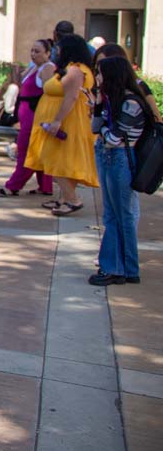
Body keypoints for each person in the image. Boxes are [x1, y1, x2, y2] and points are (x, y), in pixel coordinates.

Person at [25, 34, 98, 216]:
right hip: (71, 120)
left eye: (59, 48)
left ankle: (73, 199)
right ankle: (66, 197)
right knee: (64, 160)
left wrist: (57, 120)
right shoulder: (78, 69)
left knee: (55, 160)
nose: (57, 51)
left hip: (69, 122)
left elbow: (72, 97)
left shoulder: (75, 70)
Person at [89, 55, 145, 286]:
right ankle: (124, 268)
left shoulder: (130, 103)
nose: (97, 78)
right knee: (114, 215)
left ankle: (118, 268)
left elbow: (112, 138)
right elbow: (95, 128)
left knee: (121, 216)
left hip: (120, 159)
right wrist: (99, 105)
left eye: (100, 73)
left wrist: (103, 130)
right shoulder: (113, 100)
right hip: (109, 157)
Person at [0, 39, 55, 197]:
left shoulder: (48, 68)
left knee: (26, 149)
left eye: (37, 51)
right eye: (32, 50)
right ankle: (45, 186)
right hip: (26, 114)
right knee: (37, 151)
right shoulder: (33, 68)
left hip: (35, 115)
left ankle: (14, 185)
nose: (33, 54)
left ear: (48, 53)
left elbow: (49, 93)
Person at [94, 43, 162, 122]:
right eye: (97, 63)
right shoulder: (103, 87)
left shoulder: (138, 85)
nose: (100, 66)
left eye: (105, 62)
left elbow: (157, 119)